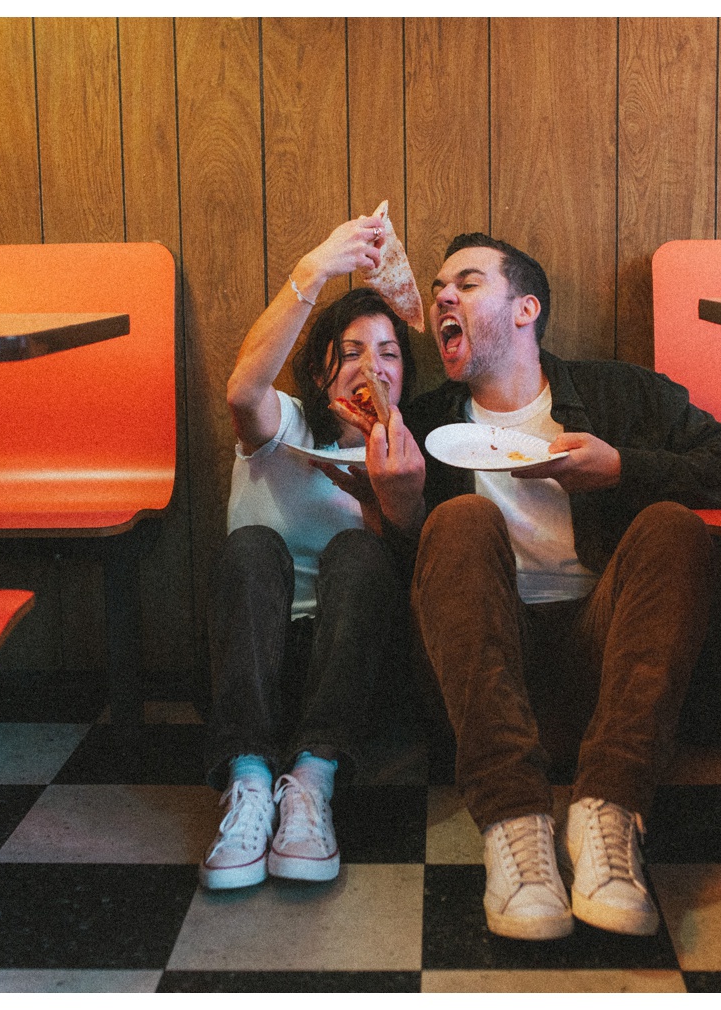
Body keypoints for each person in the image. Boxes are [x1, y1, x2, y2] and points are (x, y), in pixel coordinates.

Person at [403, 234, 721, 940]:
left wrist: (624, 469)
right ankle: (514, 828)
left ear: (526, 309)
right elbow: (412, 591)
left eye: (469, 282)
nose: (443, 297)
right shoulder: (421, 423)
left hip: (607, 676)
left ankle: (609, 813)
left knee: (673, 526)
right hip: (484, 690)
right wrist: (396, 507)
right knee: (459, 519)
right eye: (438, 287)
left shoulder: (618, 394)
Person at [200, 215, 427, 889]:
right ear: (320, 359)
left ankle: (310, 787)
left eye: (387, 352)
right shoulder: (284, 420)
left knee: (361, 552)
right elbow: (242, 390)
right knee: (251, 547)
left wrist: (391, 496)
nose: (369, 366)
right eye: (350, 349)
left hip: (348, 682)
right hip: (250, 667)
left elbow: (405, 574)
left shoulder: (402, 446)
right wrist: (318, 267)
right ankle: (245, 784)